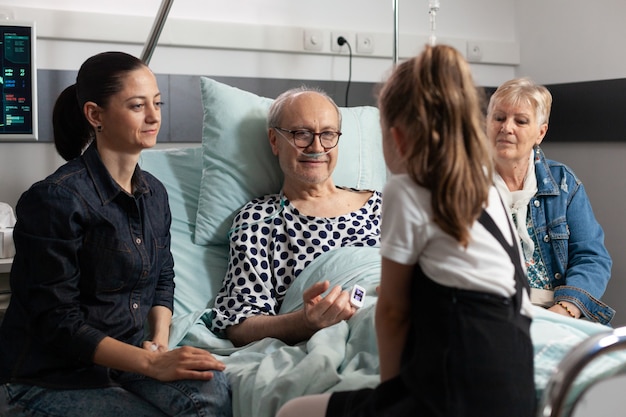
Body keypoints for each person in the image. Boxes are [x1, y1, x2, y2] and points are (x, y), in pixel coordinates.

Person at [277, 44, 536, 417]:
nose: (317, 146)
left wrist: (391, 395)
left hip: (451, 392)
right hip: (515, 390)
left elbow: (393, 312)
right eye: (301, 134)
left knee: (291, 413)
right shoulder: (486, 186)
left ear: (396, 138)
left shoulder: (405, 190)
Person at [0, 51, 232, 417]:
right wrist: (151, 365)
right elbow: (56, 321)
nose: (154, 116)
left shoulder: (154, 194)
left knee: (210, 386)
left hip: (128, 363)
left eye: (157, 103)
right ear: (95, 115)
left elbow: (163, 280)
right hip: (48, 377)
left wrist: (157, 345)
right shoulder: (56, 199)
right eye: (138, 106)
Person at [209, 86, 382, 347]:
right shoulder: (259, 221)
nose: (316, 147)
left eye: (327, 134)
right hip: (341, 341)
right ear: (274, 140)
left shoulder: (383, 206)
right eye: (301, 134)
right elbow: (239, 325)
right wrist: (305, 322)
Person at [486, 77, 615, 324]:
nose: (507, 128)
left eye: (521, 121)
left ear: (540, 132)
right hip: (494, 312)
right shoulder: (465, 186)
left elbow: (592, 257)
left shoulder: (563, 184)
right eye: (499, 118)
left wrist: (565, 310)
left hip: (560, 310)